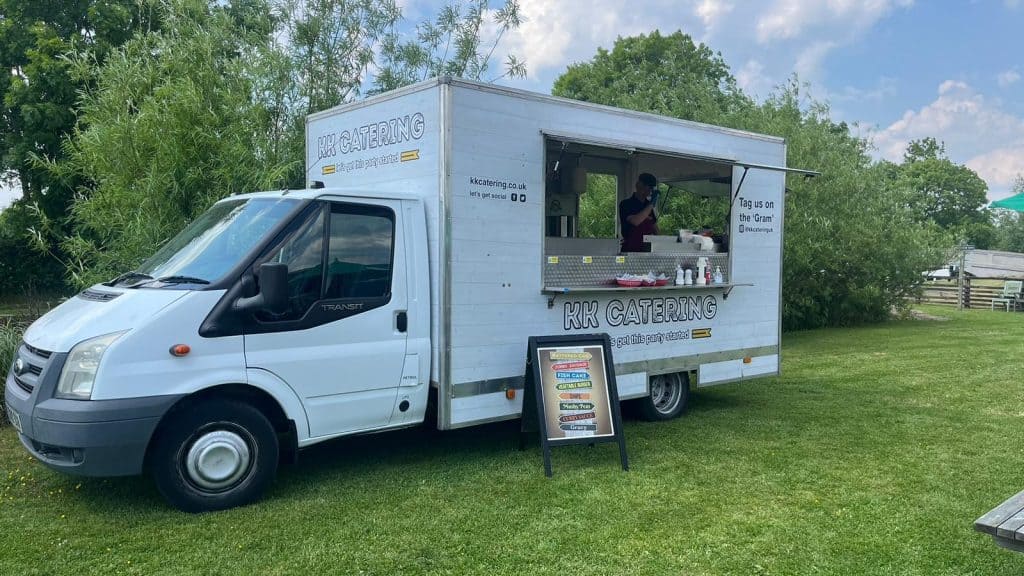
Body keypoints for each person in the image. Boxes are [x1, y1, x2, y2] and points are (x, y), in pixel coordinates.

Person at [618, 172, 660, 252]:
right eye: (648, 187)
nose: (650, 191)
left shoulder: (647, 205)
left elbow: (655, 229)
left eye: (652, 188)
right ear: (639, 185)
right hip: (631, 249)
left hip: (646, 249)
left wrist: (661, 244)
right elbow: (635, 221)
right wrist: (651, 204)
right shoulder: (626, 204)